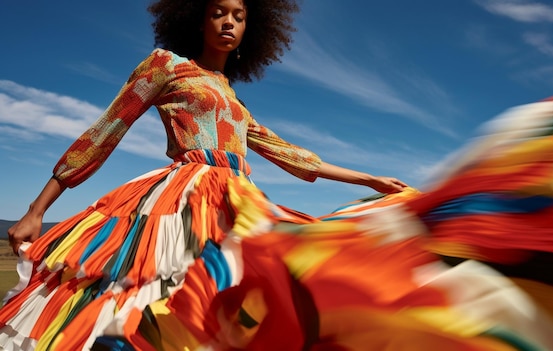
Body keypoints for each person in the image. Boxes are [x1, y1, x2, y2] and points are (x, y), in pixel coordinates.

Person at [0, 0, 407, 349]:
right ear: (199, 19)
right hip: (180, 201)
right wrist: (37, 209)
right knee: (147, 298)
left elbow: (290, 154)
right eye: (218, 13)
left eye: (239, 16)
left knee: (242, 298)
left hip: (237, 202)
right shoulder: (166, 65)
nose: (229, 22)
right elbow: (105, 131)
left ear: (250, 27)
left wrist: (370, 180)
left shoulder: (233, 97)